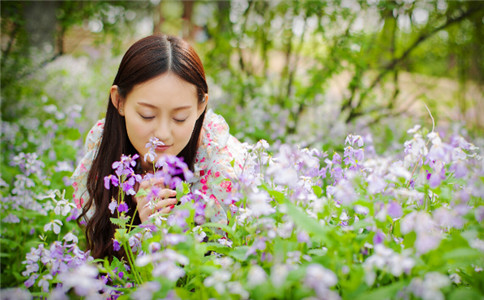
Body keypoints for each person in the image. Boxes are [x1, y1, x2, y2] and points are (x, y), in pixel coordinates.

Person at [71, 35, 250, 259]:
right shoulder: (104, 147)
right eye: (147, 115)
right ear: (119, 101)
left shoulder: (220, 167)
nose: (163, 134)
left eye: (180, 117)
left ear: (200, 107)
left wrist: (164, 233)